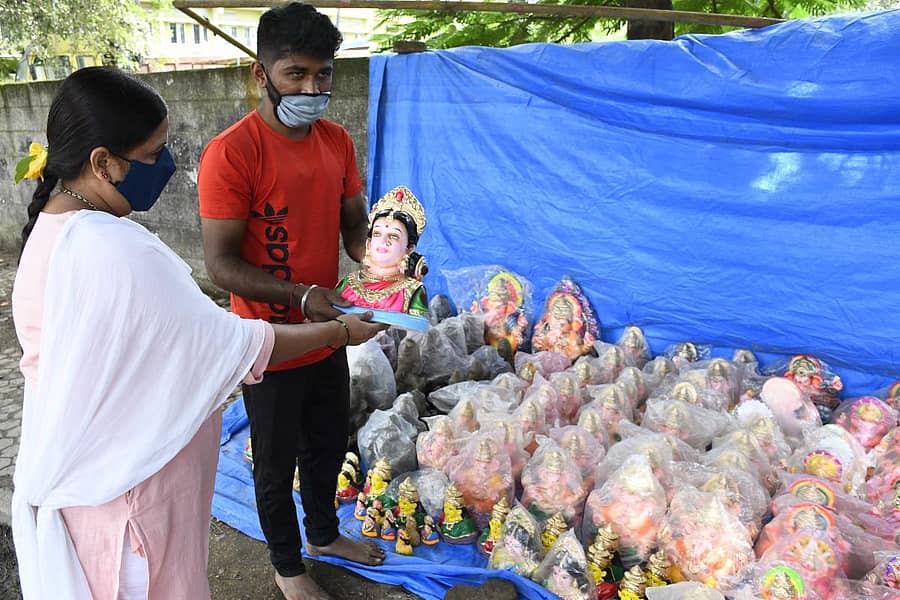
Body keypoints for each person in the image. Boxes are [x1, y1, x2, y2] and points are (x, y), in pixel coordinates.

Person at [10, 67, 385, 599]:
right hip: (133, 502)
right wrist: (336, 331)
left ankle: (321, 536)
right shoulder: (117, 248)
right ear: (102, 162)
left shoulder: (52, 235)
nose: (167, 164)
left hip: (98, 489)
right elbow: (227, 341)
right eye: (153, 153)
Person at [197, 3, 384, 598]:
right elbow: (221, 264)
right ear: (261, 73)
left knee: (329, 444)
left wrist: (383, 256)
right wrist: (303, 297)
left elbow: (354, 225)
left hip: (328, 332)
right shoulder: (233, 153)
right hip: (267, 342)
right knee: (274, 464)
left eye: (323, 75)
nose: (313, 88)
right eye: (296, 74)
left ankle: (325, 535)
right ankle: (287, 566)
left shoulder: (335, 141)